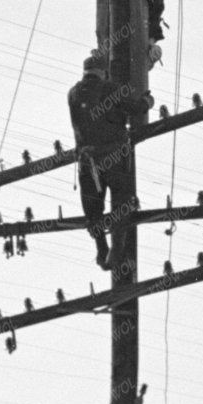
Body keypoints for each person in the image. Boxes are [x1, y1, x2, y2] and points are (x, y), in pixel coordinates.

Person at [67, 50, 132, 271]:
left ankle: (101, 247)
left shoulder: (73, 93)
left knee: (93, 209)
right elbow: (135, 107)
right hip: (114, 156)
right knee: (122, 201)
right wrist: (147, 101)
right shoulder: (109, 88)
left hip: (87, 161)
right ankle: (117, 249)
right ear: (102, 72)